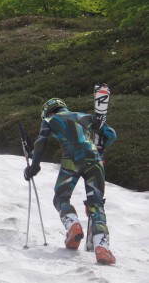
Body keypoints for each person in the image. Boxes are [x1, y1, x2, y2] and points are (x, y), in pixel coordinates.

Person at [24, 98, 117, 264]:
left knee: (60, 198)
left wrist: (34, 166)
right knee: (96, 204)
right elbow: (111, 134)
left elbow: (41, 141)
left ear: (48, 111)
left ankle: (73, 226)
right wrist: (101, 149)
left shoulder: (49, 120)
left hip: (72, 159)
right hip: (95, 160)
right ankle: (102, 248)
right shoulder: (86, 117)